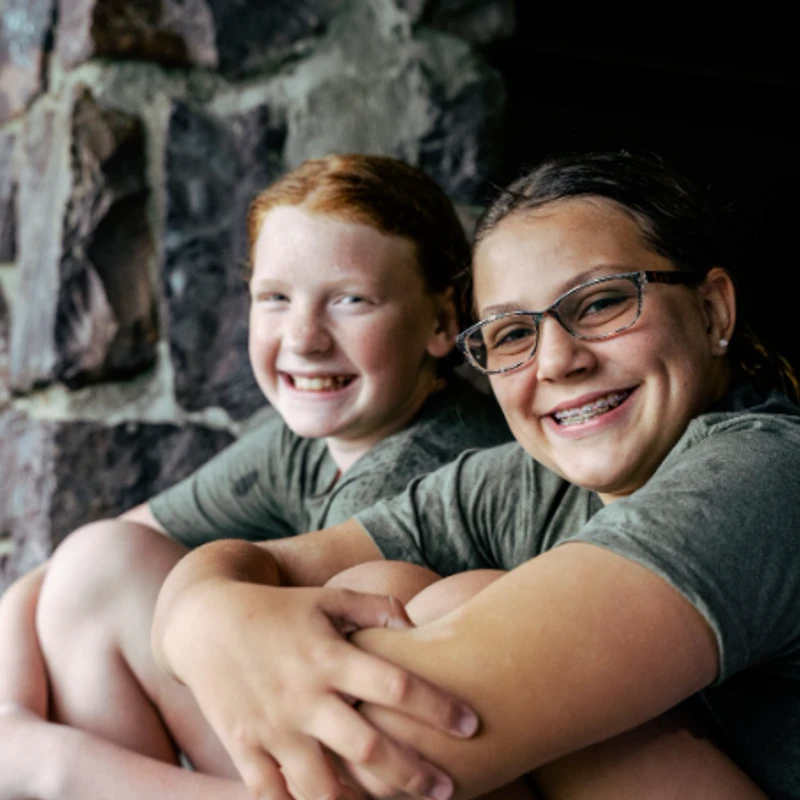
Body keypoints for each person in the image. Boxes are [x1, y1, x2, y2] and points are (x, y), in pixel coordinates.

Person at [150, 152, 800, 799]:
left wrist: (63, 764)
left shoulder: (765, 476)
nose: (557, 360)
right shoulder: (517, 483)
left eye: (601, 303)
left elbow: (389, 754)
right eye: (513, 333)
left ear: (714, 312)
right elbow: (248, 569)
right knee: (382, 586)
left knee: (447, 606)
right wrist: (207, 618)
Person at [0, 154, 512, 799]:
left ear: (441, 322)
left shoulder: (439, 470)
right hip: (308, 754)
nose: (304, 338)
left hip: (380, 777)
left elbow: (354, 775)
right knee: (102, 562)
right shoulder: (311, 441)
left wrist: (54, 763)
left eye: (350, 300)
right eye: (274, 298)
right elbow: (73, 567)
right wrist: (9, 718)